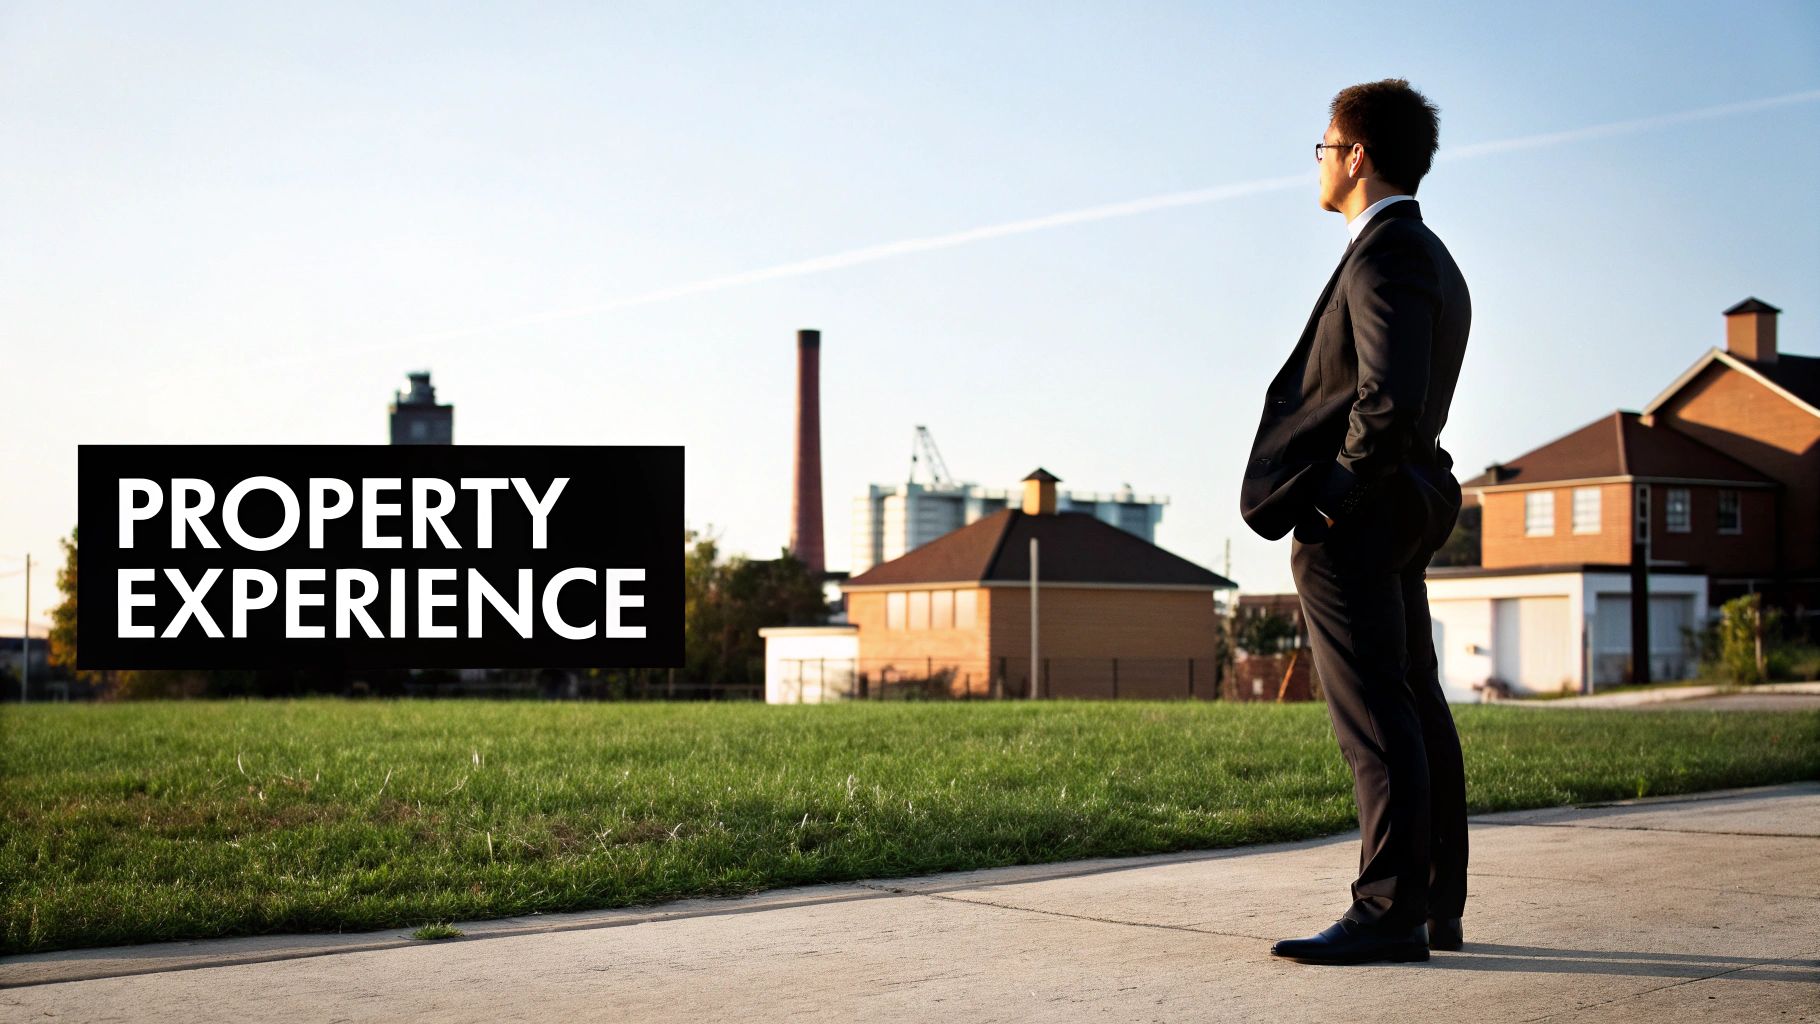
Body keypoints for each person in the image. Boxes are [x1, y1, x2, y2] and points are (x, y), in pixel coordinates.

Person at [1238, 78, 1472, 965]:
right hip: (1402, 504)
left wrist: (1333, 494)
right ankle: (1431, 903)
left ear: (1357, 156)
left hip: (1365, 514)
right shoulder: (1432, 257)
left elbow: (1390, 394)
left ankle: (1387, 910)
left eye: (1325, 147)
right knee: (1415, 705)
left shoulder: (1388, 255)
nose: (1322, 162)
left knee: (1375, 714)